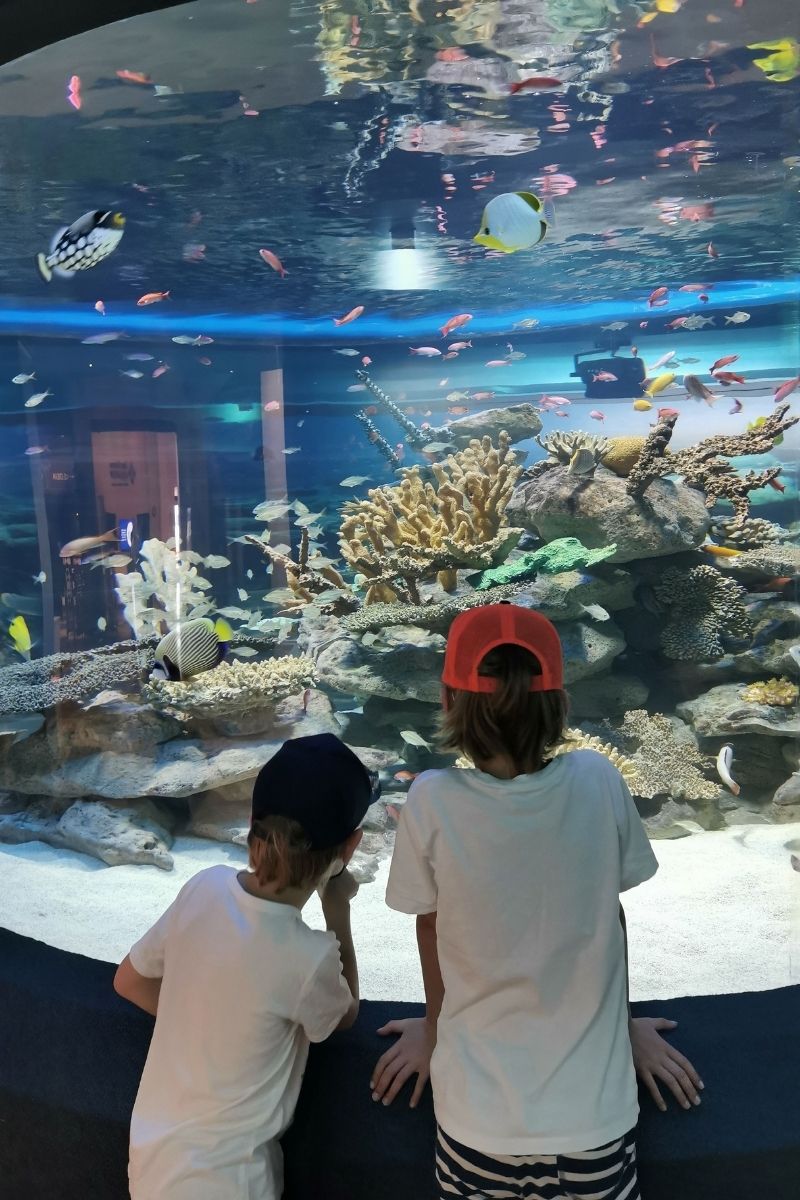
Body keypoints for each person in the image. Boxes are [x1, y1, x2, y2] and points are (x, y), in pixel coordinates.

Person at [371, 602, 704, 1200]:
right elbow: (611, 917)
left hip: (476, 1120)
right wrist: (621, 1026)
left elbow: (431, 928)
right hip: (596, 1116)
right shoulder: (599, 779)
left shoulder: (431, 799)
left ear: (448, 702)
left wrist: (432, 1028)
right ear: (562, 704)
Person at [113, 733, 375, 1200]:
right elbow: (345, 1015)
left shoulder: (203, 888)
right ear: (350, 848)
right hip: (233, 1184)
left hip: (152, 1167)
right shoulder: (309, 957)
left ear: (252, 821)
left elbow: (128, 981)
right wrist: (339, 912)